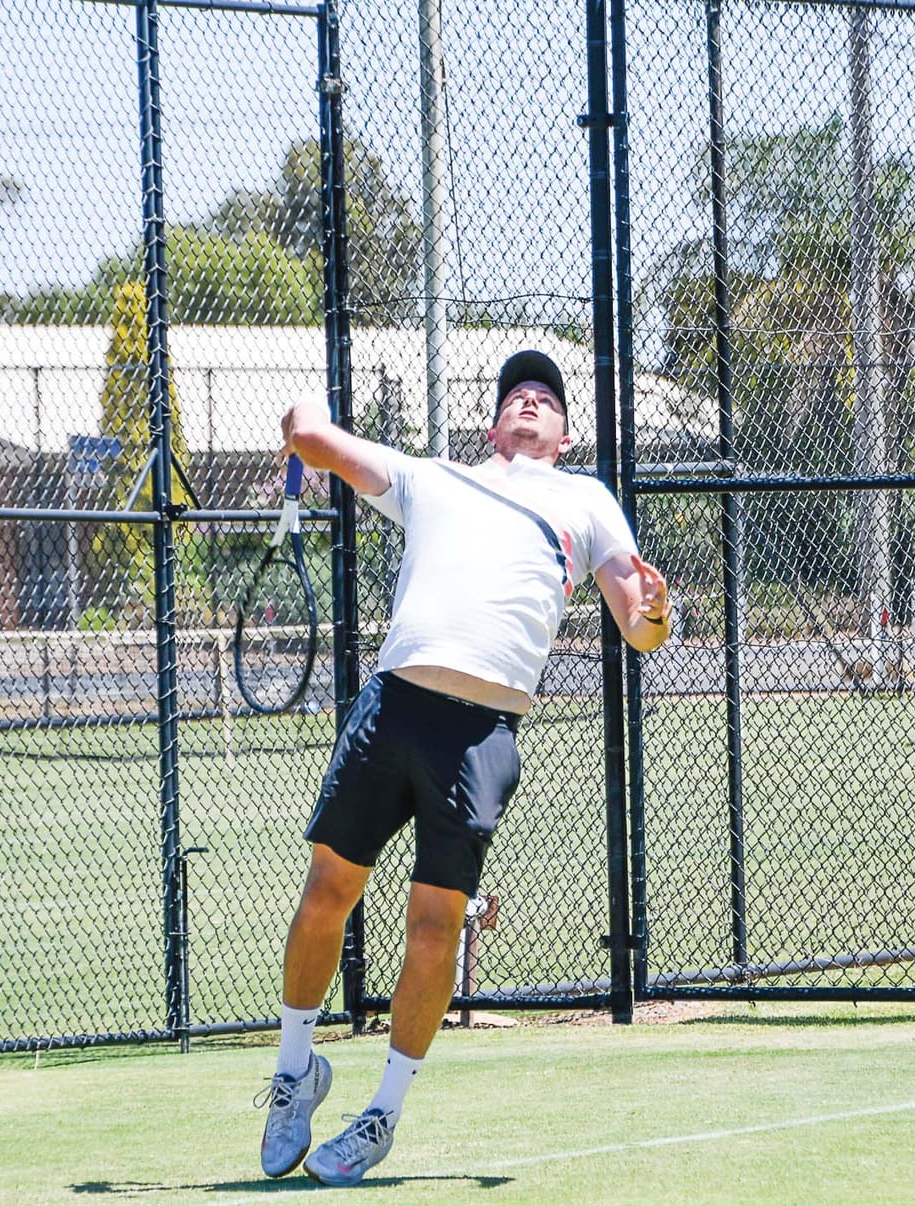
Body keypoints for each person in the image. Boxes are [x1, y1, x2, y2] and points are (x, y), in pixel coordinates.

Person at [259, 349, 671, 1186]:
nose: (531, 400)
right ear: (493, 425)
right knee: (327, 891)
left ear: (564, 435)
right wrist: (302, 412)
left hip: (482, 734)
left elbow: (640, 626)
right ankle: (295, 1071)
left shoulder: (588, 502)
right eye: (517, 394)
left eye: (546, 397)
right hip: (393, 708)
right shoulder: (430, 477)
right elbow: (316, 438)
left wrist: (658, 612)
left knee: (434, 926)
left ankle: (382, 1114)